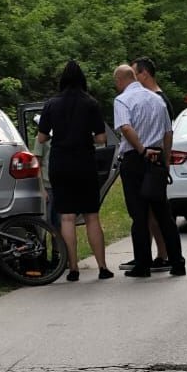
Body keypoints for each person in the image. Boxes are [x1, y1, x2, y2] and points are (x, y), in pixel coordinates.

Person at [37, 60, 113, 282]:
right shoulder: (91, 103)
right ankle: (102, 267)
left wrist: (60, 136)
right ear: (82, 80)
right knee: (91, 216)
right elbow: (101, 139)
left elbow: (42, 137)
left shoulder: (51, 104)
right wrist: (82, 136)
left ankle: (73, 269)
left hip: (60, 163)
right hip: (84, 163)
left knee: (67, 218)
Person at [112, 64, 185, 278]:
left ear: (120, 80)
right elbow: (168, 132)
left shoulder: (122, 100)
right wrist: (166, 158)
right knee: (163, 213)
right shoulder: (157, 99)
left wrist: (142, 150)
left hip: (136, 159)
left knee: (139, 214)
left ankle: (142, 265)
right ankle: (177, 262)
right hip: (157, 159)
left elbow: (126, 128)